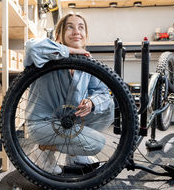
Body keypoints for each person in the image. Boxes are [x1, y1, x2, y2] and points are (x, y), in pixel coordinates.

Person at [24, 12, 114, 174]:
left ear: (86, 35)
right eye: (70, 27)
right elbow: (31, 47)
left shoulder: (88, 64)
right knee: (96, 143)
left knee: (109, 108)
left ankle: (74, 154)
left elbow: (103, 94)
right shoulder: (46, 58)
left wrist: (92, 102)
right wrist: (69, 51)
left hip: (68, 122)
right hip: (42, 124)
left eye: (81, 28)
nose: (76, 31)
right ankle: (43, 149)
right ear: (58, 35)